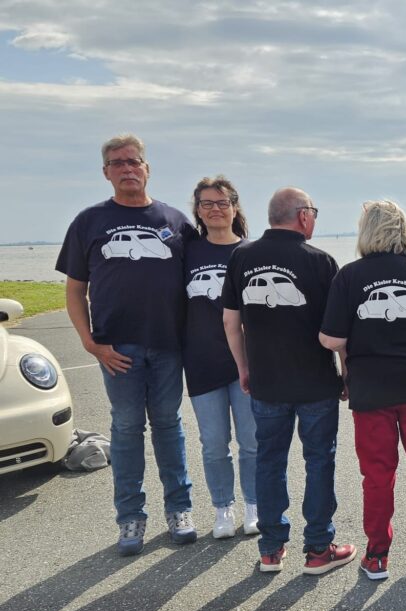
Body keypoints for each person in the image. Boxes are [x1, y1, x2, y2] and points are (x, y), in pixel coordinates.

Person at [56, 134, 195, 556]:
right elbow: (75, 290)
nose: (127, 168)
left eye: (134, 161)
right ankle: (130, 517)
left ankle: (180, 509)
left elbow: (202, 273)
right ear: (106, 172)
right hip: (117, 350)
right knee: (127, 427)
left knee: (168, 425)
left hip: (168, 344)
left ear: (147, 168)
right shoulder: (89, 222)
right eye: (118, 163)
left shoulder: (175, 220)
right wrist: (90, 343)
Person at [320, 201, 406, 580]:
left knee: (378, 475)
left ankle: (377, 555)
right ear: (403, 230)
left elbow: (330, 338)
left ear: (366, 230)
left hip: (371, 390)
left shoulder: (349, 276)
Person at [222, 187, 356, 575]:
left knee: (269, 462)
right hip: (315, 382)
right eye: (314, 212)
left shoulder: (242, 257)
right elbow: (338, 332)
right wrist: (347, 373)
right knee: (319, 461)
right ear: (302, 215)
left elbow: (230, 321)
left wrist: (243, 367)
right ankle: (318, 549)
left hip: (266, 382)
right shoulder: (320, 262)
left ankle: (270, 549)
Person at [184, 176, 258, 539]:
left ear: (234, 207)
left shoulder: (250, 252)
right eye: (207, 203)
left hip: (247, 363)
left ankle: (254, 506)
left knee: (251, 442)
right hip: (201, 362)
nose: (215, 209)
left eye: (222, 202)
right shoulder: (187, 253)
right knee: (214, 445)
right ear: (198, 210)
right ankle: (222, 508)